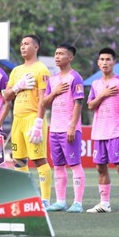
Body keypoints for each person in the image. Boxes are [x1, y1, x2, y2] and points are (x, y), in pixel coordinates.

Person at [4, 34, 52, 207]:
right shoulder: (16, 71)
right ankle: (26, 198)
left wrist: (38, 123)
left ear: (36, 47)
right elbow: (6, 95)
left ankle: (45, 199)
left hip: (33, 118)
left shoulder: (41, 69)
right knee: (18, 160)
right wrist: (18, 86)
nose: (23, 47)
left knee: (39, 160)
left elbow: (43, 100)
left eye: (26, 44)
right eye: (21, 44)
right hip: (18, 119)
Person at [86, 48, 119, 213]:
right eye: (102, 59)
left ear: (114, 62)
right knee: (100, 167)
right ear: (98, 63)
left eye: (108, 59)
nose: (105, 62)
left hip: (115, 131)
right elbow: (90, 105)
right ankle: (104, 204)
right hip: (99, 132)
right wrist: (103, 94)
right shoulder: (95, 84)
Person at [42, 43, 86, 213]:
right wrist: (55, 92)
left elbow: (79, 103)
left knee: (74, 164)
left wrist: (72, 126)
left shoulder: (75, 78)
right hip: (54, 129)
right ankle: (60, 201)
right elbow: (44, 103)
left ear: (70, 57)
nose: (57, 57)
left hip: (69, 129)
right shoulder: (52, 80)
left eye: (61, 54)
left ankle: (78, 203)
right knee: (58, 166)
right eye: (56, 54)